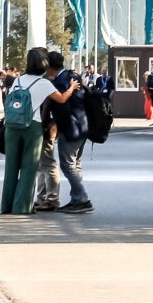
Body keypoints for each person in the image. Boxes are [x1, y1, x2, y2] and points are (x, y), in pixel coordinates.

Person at [0, 48, 77, 215]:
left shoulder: (18, 80)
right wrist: (71, 88)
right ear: (44, 64)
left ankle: (6, 205)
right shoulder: (43, 83)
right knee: (29, 167)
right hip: (32, 127)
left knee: (11, 167)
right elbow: (62, 99)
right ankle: (21, 207)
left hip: (11, 127)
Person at [47, 51, 95, 214]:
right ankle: (76, 198)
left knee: (67, 165)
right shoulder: (72, 76)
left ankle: (82, 199)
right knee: (75, 164)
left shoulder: (60, 82)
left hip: (71, 127)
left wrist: (56, 127)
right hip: (83, 125)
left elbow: (61, 105)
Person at [34, 51, 69, 211]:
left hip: (45, 126)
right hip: (46, 125)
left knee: (47, 163)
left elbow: (59, 101)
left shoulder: (46, 82)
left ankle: (51, 199)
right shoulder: (48, 81)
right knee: (43, 164)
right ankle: (42, 197)